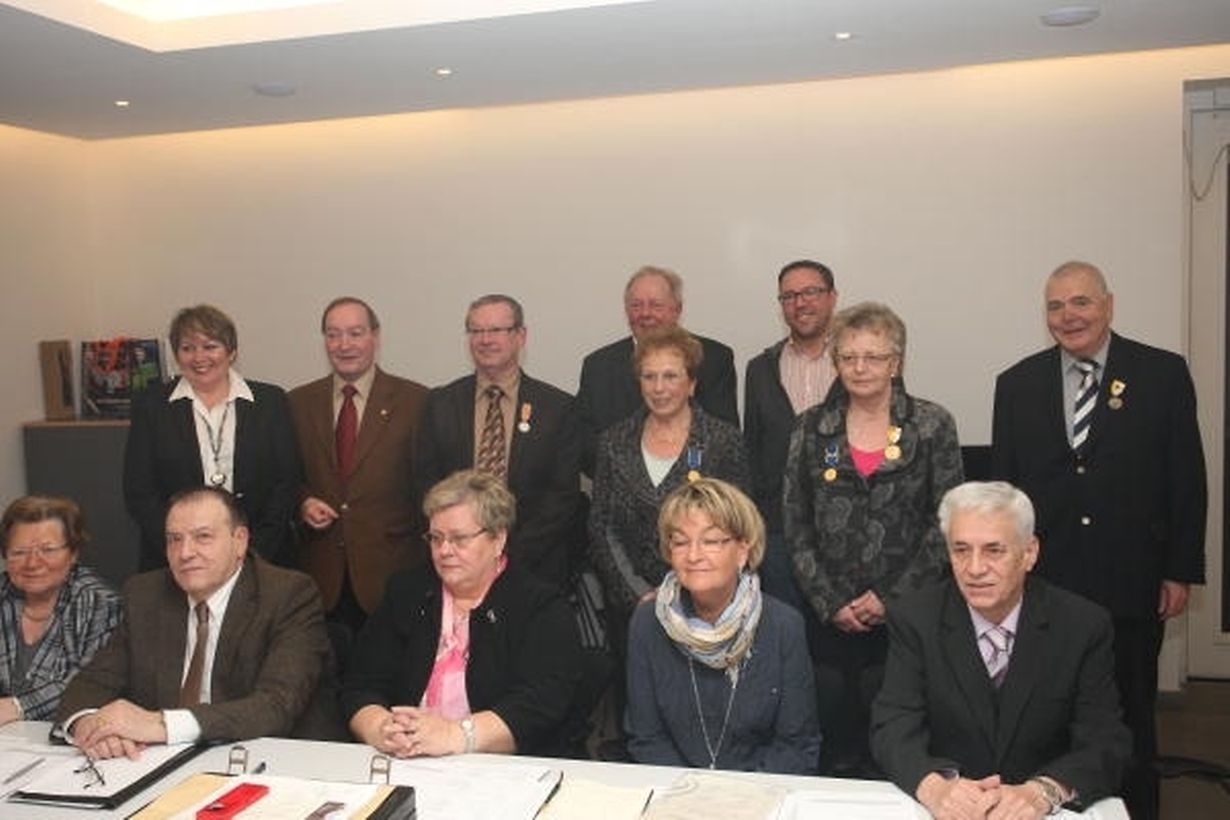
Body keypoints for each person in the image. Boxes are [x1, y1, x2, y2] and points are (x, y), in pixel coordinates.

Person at [990, 260, 1206, 820]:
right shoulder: (1016, 384)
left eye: (1081, 302)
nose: (1069, 316)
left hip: (1131, 581)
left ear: (1108, 305)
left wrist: (1179, 569)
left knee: (1129, 716)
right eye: (1055, 306)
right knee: (1043, 717)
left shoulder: (1161, 374)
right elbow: (1006, 493)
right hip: (1046, 584)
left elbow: (1186, 477)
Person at [871, 481, 1132, 819]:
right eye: (961, 550)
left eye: (994, 550)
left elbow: (1106, 742)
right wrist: (936, 788)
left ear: (1029, 553)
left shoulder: (1082, 626)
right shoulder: (915, 618)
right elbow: (892, 727)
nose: (975, 569)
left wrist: (1043, 792)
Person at [782, 301, 963, 775]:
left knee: (898, 747)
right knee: (835, 743)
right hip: (829, 618)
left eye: (873, 357)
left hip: (909, 617)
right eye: (848, 357)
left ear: (895, 362)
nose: (860, 368)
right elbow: (795, 523)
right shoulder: (811, 428)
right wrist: (830, 600)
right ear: (836, 362)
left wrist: (890, 598)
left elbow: (948, 521)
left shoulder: (931, 424)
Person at [55, 487, 340, 759]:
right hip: (163, 762)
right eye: (174, 539)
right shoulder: (145, 594)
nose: (185, 553)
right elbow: (94, 681)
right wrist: (91, 726)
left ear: (240, 540)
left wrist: (160, 724)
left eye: (203, 537)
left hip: (267, 760)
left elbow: (275, 705)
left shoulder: (287, 595)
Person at [344, 470, 582, 758]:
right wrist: (380, 728)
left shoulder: (540, 606)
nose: (444, 550)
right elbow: (361, 684)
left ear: (498, 540)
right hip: (405, 760)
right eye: (436, 538)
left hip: (500, 768)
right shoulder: (406, 592)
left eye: (459, 539)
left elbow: (541, 704)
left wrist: (455, 735)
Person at [625, 478, 820, 773]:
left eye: (711, 541)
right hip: (675, 788)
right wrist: (692, 791)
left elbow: (797, 745)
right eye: (680, 542)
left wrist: (740, 794)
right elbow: (647, 738)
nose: (693, 556)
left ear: (743, 550)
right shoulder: (648, 622)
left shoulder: (783, 625)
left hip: (761, 789)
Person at [589, 325, 750, 657]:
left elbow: (738, 527)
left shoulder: (723, 441)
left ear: (691, 384)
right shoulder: (613, 442)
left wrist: (693, 592)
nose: (659, 388)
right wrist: (640, 595)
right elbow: (602, 526)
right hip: (633, 609)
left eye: (670, 376)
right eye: (649, 377)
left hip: (706, 607)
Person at [416, 295, 581, 590]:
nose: (485, 340)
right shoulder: (439, 404)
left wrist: (504, 553)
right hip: (455, 566)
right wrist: (464, 547)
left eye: (495, 330)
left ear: (520, 336)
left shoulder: (557, 408)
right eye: (476, 331)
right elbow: (426, 483)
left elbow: (562, 497)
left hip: (534, 570)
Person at [288, 297, 429, 633]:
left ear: (375, 337)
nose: (344, 345)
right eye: (333, 335)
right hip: (320, 576)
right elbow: (286, 475)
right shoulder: (297, 402)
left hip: (392, 572)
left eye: (355, 333)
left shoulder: (416, 401)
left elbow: (429, 485)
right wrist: (303, 501)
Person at [124, 304, 301, 569]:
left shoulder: (270, 401)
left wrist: (250, 552)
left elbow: (286, 482)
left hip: (262, 556)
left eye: (210, 346)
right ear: (176, 354)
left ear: (232, 352)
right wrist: (183, 548)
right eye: (187, 348)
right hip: (177, 560)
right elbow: (139, 491)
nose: (199, 357)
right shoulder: (152, 406)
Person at [744, 259, 840, 611]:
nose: (800, 303)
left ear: (832, 297)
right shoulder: (759, 369)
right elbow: (752, 449)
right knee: (785, 629)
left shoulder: (861, 362)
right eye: (789, 296)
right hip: (778, 535)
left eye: (810, 292)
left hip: (845, 530)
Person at [577, 265, 738, 473]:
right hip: (617, 484)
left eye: (656, 305)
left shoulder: (713, 358)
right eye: (636, 305)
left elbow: (724, 441)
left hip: (693, 486)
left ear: (677, 310)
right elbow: (584, 444)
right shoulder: (598, 366)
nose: (645, 313)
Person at [0, 496, 121, 725]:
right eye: (19, 552)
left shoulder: (100, 603)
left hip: (67, 733)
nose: (32, 563)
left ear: (73, 553)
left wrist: (16, 707)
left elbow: (88, 684)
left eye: (47, 550)